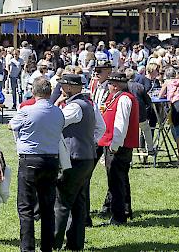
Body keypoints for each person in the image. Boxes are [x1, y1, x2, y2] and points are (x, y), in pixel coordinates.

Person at [9, 77, 64, 252]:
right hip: (51, 160)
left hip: (30, 159)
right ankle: (47, 246)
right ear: (50, 93)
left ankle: (27, 247)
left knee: (26, 207)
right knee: (48, 206)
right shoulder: (58, 112)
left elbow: (12, 125)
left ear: (33, 92)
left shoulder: (27, 111)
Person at [53, 74, 103, 250]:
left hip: (74, 158)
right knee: (79, 202)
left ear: (70, 88)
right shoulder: (89, 104)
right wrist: (90, 142)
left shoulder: (73, 107)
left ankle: (54, 243)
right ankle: (75, 243)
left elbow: (54, 123)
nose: (60, 89)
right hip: (86, 157)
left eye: (63, 86)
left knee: (62, 202)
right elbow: (101, 128)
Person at [97, 72, 139, 225]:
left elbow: (120, 124)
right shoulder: (119, 97)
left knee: (116, 182)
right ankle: (123, 211)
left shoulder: (124, 99)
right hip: (117, 145)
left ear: (114, 85)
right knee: (120, 180)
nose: (107, 86)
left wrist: (115, 145)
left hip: (118, 146)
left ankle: (118, 217)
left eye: (109, 84)